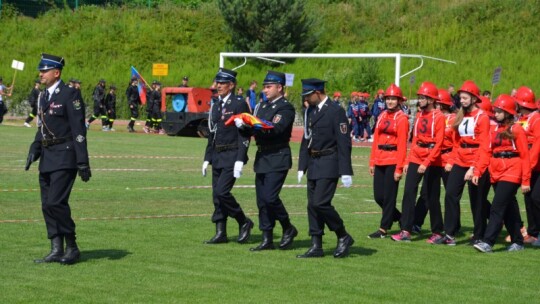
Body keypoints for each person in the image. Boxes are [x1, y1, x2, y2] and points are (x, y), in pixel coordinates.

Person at [24, 53, 91, 265]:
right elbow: (42, 127)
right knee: (46, 204)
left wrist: (82, 162)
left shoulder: (70, 94)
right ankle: (56, 248)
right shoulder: (43, 96)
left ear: (56, 72)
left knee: (56, 202)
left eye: (44, 70)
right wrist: (34, 150)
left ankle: (72, 247)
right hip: (47, 157)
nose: (41, 74)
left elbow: (79, 130)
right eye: (40, 70)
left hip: (65, 155)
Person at [234, 71, 298, 251]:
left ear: (280, 87)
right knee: (262, 200)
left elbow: (275, 129)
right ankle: (267, 237)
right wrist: (244, 127)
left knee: (270, 197)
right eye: (264, 86)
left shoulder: (285, 108)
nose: (265, 90)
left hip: (278, 156)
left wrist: (253, 125)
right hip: (262, 156)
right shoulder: (261, 106)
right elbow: (255, 130)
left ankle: (287, 227)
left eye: (269, 86)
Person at [297, 78, 354, 258]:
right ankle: (317, 245)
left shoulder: (336, 111)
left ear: (317, 92)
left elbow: (344, 142)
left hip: (330, 161)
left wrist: (345, 170)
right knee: (312, 206)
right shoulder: (311, 112)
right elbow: (306, 139)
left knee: (320, 203)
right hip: (314, 162)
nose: (306, 99)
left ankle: (343, 235)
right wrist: (302, 165)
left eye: (308, 95)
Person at [435, 80, 491, 246]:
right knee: (451, 193)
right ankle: (450, 234)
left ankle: (479, 234)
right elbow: (456, 142)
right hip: (460, 159)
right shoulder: (460, 115)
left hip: (477, 160)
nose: (462, 100)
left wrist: (475, 168)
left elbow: (484, 146)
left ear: (474, 99)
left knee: (477, 199)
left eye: (465, 97)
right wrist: (451, 161)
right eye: (461, 97)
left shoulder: (482, 117)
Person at [202, 68, 254, 245]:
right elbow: (212, 133)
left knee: (222, 192)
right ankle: (220, 232)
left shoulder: (239, 104)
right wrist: (206, 158)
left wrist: (241, 158)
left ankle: (243, 221)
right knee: (216, 196)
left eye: (222, 83)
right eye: (217, 83)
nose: (218, 86)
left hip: (232, 154)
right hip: (217, 154)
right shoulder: (216, 104)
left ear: (231, 85)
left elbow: (245, 133)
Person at [473, 95, 530, 253]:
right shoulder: (494, 129)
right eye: (495, 111)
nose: (495, 114)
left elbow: (525, 156)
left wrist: (525, 180)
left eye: (499, 111)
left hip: (512, 171)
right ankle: (518, 241)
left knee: (497, 207)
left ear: (508, 112)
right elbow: (486, 152)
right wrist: (478, 170)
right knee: (509, 207)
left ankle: (488, 242)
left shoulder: (516, 129)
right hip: (496, 171)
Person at [391, 82, 445, 243]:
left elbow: (439, 143)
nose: (419, 100)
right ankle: (406, 230)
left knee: (431, 196)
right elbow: (414, 140)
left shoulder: (439, 117)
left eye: (422, 97)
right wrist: (409, 160)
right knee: (408, 192)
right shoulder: (420, 115)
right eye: (419, 97)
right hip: (416, 156)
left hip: (432, 160)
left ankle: (437, 231)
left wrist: (426, 162)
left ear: (431, 99)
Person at [368, 84, 408, 239]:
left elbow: (403, 145)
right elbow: (376, 139)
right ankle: (400, 218)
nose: (390, 101)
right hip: (380, 159)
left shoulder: (402, 118)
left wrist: (399, 167)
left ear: (399, 100)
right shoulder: (382, 115)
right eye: (388, 99)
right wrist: (372, 162)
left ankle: (384, 228)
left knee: (390, 196)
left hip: (392, 160)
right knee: (379, 196)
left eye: (393, 99)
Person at [514, 86, 540, 245]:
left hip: (535, 165)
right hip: (526, 164)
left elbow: (537, 144)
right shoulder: (520, 119)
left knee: (537, 198)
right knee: (529, 198)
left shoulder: (536, 119)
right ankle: (533, 232)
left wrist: (528, 166)